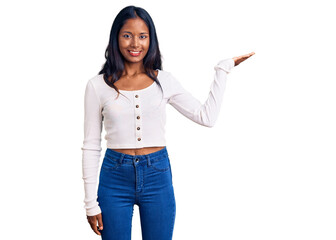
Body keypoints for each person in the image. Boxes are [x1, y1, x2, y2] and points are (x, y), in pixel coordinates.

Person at [81, 5, 254, 240]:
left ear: (151, 40)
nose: (135, 44)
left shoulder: (165, 81)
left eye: (142, 36)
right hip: (114, 179)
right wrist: (90, 204)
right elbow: (91, 145)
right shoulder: (97, 85)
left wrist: (222, 70)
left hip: (156, 176)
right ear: (116, 38)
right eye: (127, 35)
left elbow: (207, 117)